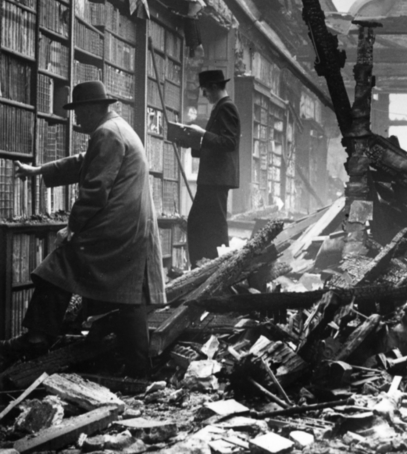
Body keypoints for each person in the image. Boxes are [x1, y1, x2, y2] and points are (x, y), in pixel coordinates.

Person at [2, 81, 166, 377]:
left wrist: (73, 228)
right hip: (133, 228)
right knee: (129, 299)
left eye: (78, 111)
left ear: (92, 109)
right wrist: (40, 170)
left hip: (116, 228)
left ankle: (37, 338)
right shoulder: (116, 128)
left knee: (57, 267)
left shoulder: (106, 133)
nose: (76, 119)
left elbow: (94, 190)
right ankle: (141, 371)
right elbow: (84, 162)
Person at [182, 69, 240, 266]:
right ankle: (203, 265)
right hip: (213, 178)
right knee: (202, 224)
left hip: (216, 179)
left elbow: (229, 143)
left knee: (210, 226)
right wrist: (192, 141)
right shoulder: (220, 107)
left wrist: (202, 134)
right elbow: (217, 144)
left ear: (214, 87)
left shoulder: (227, 107)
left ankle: (214, 267)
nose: (204, 94)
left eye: (205, 90)